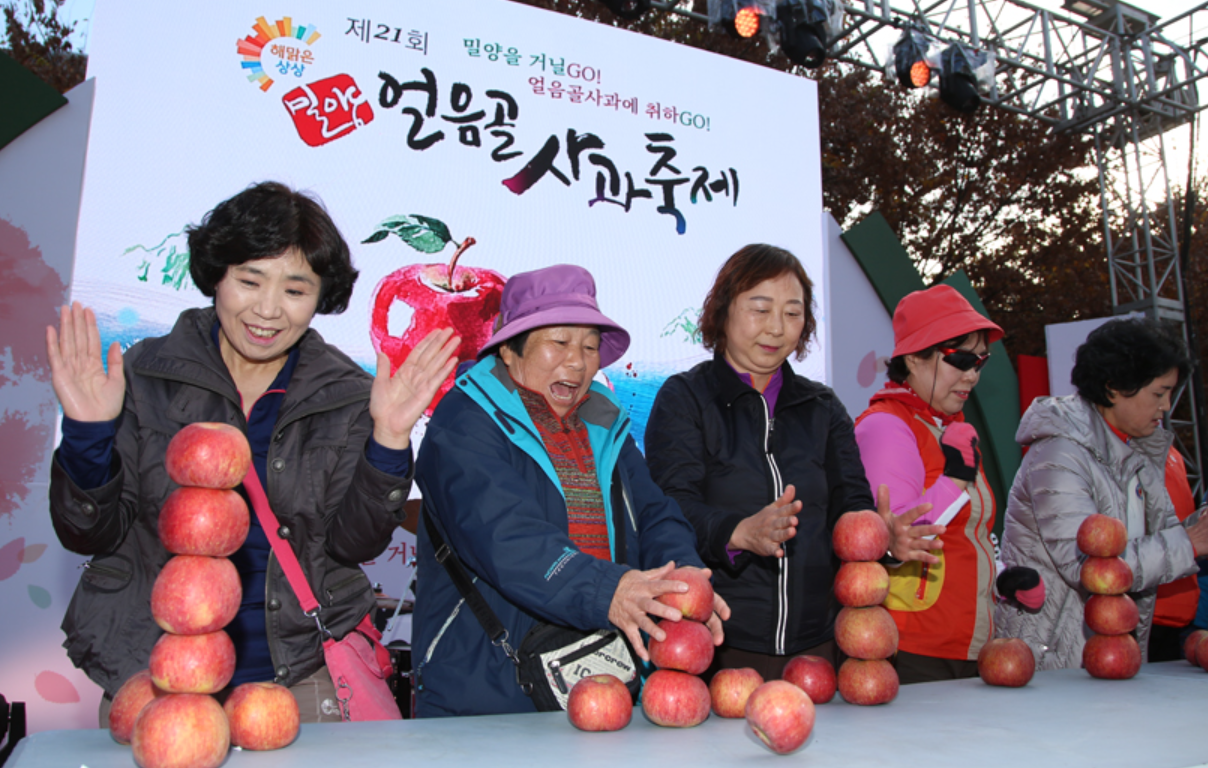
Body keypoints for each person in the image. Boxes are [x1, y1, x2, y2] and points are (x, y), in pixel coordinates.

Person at [47, 182, 458, 723]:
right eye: (249, 280)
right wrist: (86, 433)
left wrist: (389, 438)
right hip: (158, 674)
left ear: (320, 297)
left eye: (295, 290)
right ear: (217, 275)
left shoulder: (346, 394)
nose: (268, 310)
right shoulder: (145, 375)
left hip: (297, 676)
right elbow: (88, 533)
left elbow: (353, 543)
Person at [412, 264, 729, 717]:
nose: (578, 362)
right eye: (559, 342)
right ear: (508, 349)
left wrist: (685, 582)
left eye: (590, 346)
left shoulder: (603, 422)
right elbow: (507, 538)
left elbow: (655, 514)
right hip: (486, 691)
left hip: (600, 684)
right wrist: (610, 592)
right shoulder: (462, 424)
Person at [644, 244, 936, 682]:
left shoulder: (823, 407)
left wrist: (881, 538)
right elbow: (670, 507)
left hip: (819, 649)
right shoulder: (685, 398)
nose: (777, 328)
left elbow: (851, 501)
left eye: (793, 313)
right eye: (760, 309)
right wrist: (737, 533)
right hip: (720, 646)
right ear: (723, 312)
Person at [854, 284, 1041, 684]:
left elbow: (971, 534)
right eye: (960, 359)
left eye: (981, 362)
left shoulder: (951, 429)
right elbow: (899, 534)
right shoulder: (887, 426)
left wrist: (1002, 575)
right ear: (913, 359)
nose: (972, 374)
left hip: (973, 643)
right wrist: (955, 478)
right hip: (912, 647)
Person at [996, 317, 1208, 670]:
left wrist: (1197, 526)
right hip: (1052, 659)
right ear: (1113, 387)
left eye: (1170, 393)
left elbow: (1163, 537)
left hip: (1105, 652)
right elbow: (1088, 567)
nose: (1167, 407)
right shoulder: (1059, 454)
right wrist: (1191, 542)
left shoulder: (1137, 449)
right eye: (1159, 393)